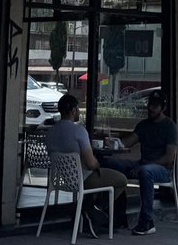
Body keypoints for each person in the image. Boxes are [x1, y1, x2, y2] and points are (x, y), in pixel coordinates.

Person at [45, 93, 129, 230]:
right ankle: (93, 209)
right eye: (77, 109)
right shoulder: (79, 131)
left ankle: (89, 210)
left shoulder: (51, 132)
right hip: (83, 178)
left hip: (62, 179)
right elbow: (91, 164)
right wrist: (97, 164)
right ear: (73, 110)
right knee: (121, 180)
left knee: (101, 178)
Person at [101, 90, 176, 237]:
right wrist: (113, 142)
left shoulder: (170, 126)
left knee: (145, 172)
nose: (150, 108)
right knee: (110, 164)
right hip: (142, 164)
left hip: (162, 169)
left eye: (155, 106)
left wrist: (142, 166)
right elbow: (127, 142)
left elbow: (169, 158)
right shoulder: (144, 125)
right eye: (150, 104)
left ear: (163, 108)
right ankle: (117, 215)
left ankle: (147, 221)